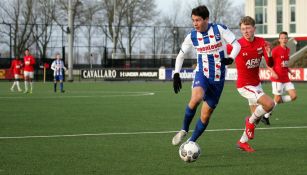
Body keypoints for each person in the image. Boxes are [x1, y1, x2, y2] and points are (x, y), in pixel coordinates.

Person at [171, 5, 241, 146]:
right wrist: (176, 74)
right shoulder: (192, 36)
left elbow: (236, 45)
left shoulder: (219, 29)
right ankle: (184, 129)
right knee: (196, 97)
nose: (195, 23)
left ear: (206, 19)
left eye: (198, 20)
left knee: (205, 115)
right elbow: (180, 56)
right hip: (202, 73)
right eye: (193, 20)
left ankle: (191, 142)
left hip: (218, 78)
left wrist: (231, 58)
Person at [234, 16, 275, 152]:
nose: (245, 31)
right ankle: (249, 122)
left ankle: (242, 142)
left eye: (248, 28)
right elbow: (221, 52)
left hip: (256, 84)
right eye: (243, 29)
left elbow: (270, 64)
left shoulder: (261, 43)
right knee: (269, 104)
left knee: (256, 118)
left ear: (254, 29)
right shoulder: (237, 45)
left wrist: (269, 55)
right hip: (244, 86)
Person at [261, 31, 297, 125]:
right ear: (279, 39)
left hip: (286, 78)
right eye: (282, 38)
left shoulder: (288, 50)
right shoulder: (276, 50)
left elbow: (284, 64)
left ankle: (276, 102)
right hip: (277, 79)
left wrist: (290, 72)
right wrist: (273, 73)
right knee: (276, 99)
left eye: (285, 38)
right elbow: (269, 63)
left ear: (287, 39)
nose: (284, 39)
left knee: (294, 96)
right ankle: (266, 116)